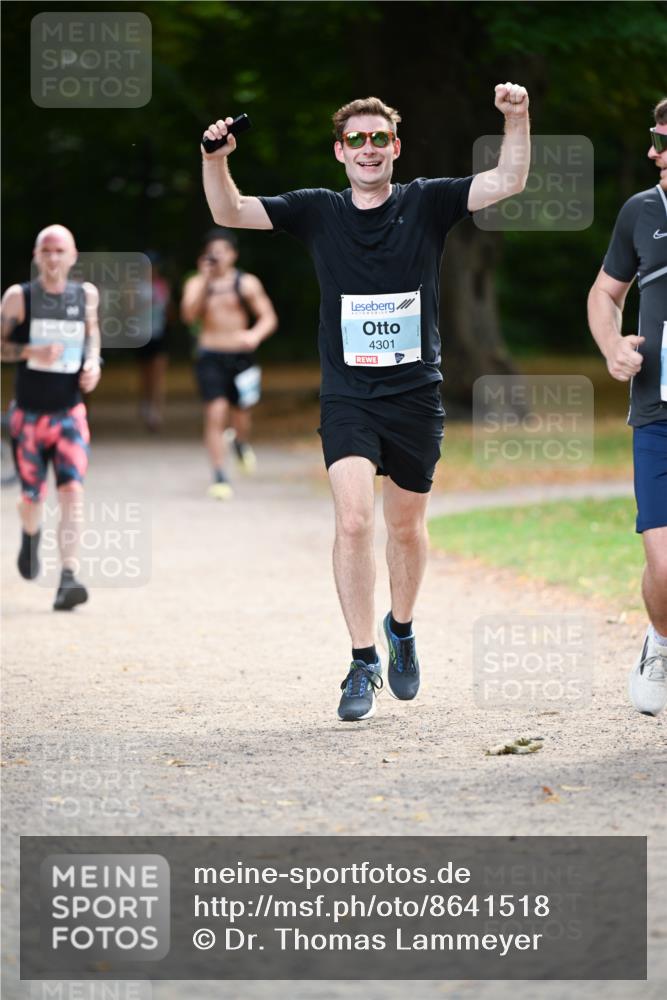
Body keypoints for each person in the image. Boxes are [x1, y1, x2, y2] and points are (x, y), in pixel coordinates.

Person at [201, 87, 530, 720]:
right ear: (340, 152)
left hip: (415, 395)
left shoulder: (428, 201)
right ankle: (362, 660)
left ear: (396, 148)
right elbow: (233, 210)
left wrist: (515, 118)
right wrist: (216, 158)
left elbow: (509, 178)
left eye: (380, 138)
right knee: (354, 520)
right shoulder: (318, 211)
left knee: (404, 526)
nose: (369, 148)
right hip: (349, 394)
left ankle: (400, 629)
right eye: (357, 139)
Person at [587, 97, 667, 717]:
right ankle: (659, 642)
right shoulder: (642, 211)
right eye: (654, 139)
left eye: (664, 142)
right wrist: (613, 345)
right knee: (665, 566)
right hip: (658, 414)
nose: (653, 152)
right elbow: (605, 293)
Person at [0, 224, 102, 610]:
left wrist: (94, 362)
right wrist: (30, 353)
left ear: (73, 255)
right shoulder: (20, 297)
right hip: (28, 418)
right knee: (32, 496)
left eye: (61, 251)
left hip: (70, 415)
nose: (54, 258)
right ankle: (29, 535)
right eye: (47, 251)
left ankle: (69, 577)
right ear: (36, 256)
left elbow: (91, 336)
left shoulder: (85, 295)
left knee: (72, 491)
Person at [180, 228, 278, 499]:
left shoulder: (246, 283)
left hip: (241, 357)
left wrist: (254, 335)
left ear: (233, 255)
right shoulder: (196, 284)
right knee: (215, 411)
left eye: (222, 251)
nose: (217, 257)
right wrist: (204, 281)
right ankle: (219, 475)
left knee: (242, 414)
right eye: (212, 253)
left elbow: (268, 317)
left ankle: (240, 441)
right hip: (210, 355)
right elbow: (188, 316)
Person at [136, 250, 172, 433]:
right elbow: (128, 310)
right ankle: (146, 403)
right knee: (146, 375)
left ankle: (156, 412)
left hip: (159, 333)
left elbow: (169, 311)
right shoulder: (136, 286)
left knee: (158, 375)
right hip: (142, 335)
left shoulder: (163, 285)